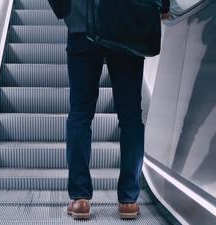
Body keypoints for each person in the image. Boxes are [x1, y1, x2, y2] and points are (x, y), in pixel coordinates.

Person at [49, 0, 170, 220]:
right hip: (127, 22)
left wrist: (64, 8)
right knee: (131, 116)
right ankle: (128, 201)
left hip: (82, 22)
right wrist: (163, 5)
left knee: (80, 114)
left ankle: (80, 200)